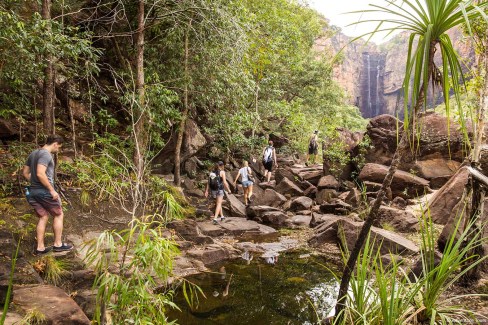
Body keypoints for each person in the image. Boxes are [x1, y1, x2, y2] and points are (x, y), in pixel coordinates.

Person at [23, 135, 73, 255]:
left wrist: (34, 182)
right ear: (55, 144)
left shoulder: (33, 153)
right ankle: (58, 244)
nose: (58, 150)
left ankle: (40, 248)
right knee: (59, 214)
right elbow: (40, 174)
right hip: (44, 191)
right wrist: (51, 190)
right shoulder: (46, 155)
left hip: (33, 192)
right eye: (59, 147)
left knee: (43, 217)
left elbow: (25, 173)